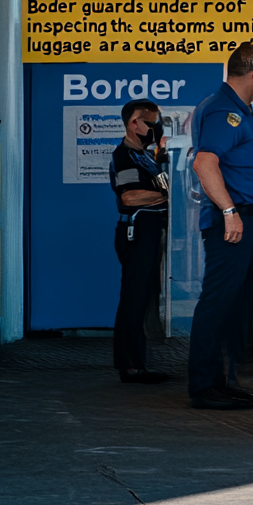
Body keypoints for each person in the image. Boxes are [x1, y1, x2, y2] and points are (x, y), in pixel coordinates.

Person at [188, 42, 253, 409]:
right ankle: (204, 386)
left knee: (234, 307)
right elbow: (205, 164)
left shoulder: (247, 110)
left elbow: (248, 169)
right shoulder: (222, 111)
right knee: (217, 303)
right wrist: (230, 211)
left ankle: (224, 382)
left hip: (247, 216)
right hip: (229, 222)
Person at [109, 99, 172, 384]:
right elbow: (129, 196)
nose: (155, 129)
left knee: (145, 298)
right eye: (151, 123)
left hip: (149, 232)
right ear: (134, 123)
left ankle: (139, 362)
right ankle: (130, 365)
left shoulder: (147, 157)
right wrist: (169, 198)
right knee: (133, 298)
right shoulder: (124, 156)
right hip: (136, 233)